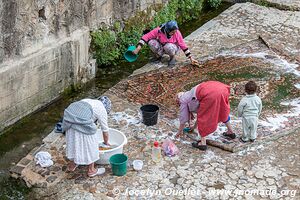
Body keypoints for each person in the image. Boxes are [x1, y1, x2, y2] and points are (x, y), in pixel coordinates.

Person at [175, 81, 236, 151]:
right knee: (222, 110)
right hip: (222, 89)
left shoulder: (183, 100)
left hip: (210, 93)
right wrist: (194, 127)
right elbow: (199, 113)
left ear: (178, 100)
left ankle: (202, 143)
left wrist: (179, 132)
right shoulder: (190, 94)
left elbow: (184, 118)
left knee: (204, 117)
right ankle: (230, 132)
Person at [62, 96, 112, 177]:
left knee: (74, 139)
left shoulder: (89, 101)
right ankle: (91, 170)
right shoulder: (102, 109)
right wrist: (106, 143)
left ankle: (73, 164)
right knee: (92, 142)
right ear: (107, 108)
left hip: (68, 116)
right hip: (80, 118)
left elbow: (78, 115)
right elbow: (105, 130)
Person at [132, 20, 198, 66]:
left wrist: (191, 58)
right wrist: (137, 49)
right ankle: (158, 56)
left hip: (172, 47)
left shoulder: (177, 33)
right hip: (162, 46)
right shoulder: (158, 31)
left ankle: (172, 58)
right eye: (173, 32)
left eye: (175, 31)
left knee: (168, 46)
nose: (174, 33)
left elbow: (182, 45)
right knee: (151, 42)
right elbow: (146, 37)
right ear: (167, 30)